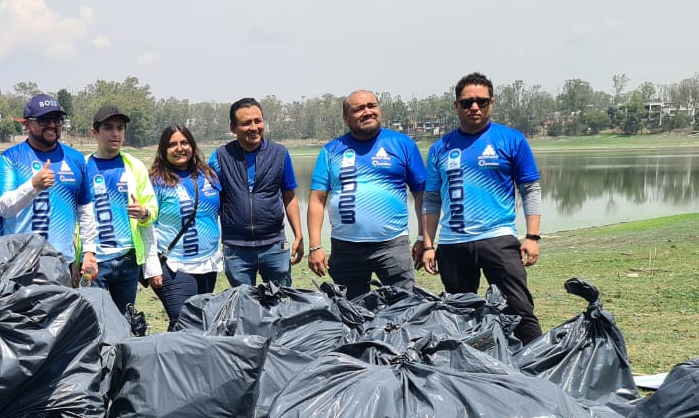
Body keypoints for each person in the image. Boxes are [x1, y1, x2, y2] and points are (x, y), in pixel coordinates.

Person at [420, 72, 544, 343]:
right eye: (467, 103)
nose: (474, 107)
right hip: (453, 244)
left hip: (497, 239)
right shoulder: (440, 148)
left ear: (491, 104)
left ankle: (539, 368)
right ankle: (476, 371)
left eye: (481, 102)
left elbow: (530, 190)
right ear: (456, 106)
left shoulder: (511, 140)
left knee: (519, 310)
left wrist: (532, 237)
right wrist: (429, 244)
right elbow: (431, 199)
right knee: (461, 314)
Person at [306, 90, 426, 298]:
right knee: (351, 312)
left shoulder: (403, 144)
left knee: (403, 307)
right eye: (359, 109)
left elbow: (422, 195)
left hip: (392, 245)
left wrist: (424, 237)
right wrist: (315, 246)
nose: (368, 112)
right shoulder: (331, 151)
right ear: (346, 118)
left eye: (372, 106)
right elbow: (317, 200)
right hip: (345, 249)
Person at [0, 93, 97, 278]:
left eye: (57, 119)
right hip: (20, 265)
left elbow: (85, 209)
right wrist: (33, 186)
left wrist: (89, 251)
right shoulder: (10, 158)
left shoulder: (76, 159)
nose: (52, 125)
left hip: (62, 263)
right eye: (44, 119)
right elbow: (3, 208)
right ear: (27, 124)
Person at [208, 97, 304, 287]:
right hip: (236, 248)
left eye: (258, 121)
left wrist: (299, 234)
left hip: (274, 245)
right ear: (233, 128)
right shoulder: (220, 157)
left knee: (282, 304)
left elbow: (289, 196)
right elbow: (209, 200)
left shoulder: (280, 153)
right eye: (246, 123)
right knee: (245, 306)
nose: (254, 127)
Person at [142, 125, 223, 328]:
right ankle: (172, 360)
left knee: (202, 321)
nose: (180, 148)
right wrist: (151, 267)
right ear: (163, 150)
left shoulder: (208, 174)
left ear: (192, 145)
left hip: (208, 262)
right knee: (183, 322)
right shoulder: (156, 181)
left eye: (184, 142)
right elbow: (147, 225)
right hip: (174, 265)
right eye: (172, 144)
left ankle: (196, 360)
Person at [81, 104, 158, 311]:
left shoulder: (135, 167)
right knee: (94, 322)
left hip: (127, 260)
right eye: (108, 128)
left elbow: (152, 209)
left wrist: (143, 213)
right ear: (94, 133)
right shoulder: (82, 166)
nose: (115, 133)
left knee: (125, 322)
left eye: (120, 128)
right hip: (93, 262)